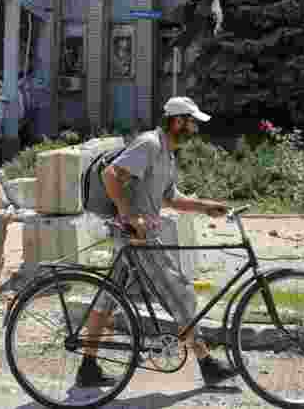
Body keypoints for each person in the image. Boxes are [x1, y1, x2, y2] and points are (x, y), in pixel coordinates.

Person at [79, 96, 237, 388]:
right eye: (192, 123)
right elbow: (110, 174)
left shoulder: (168, 153)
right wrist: (129, 216)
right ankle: (207, 363)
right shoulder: (150, 144)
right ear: (178, 121)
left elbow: (171, 198)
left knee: (107, 299)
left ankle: (87, 366)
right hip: (137, 237)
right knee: (181, 294)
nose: (195, 129)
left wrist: (206, 206)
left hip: (136, 236)